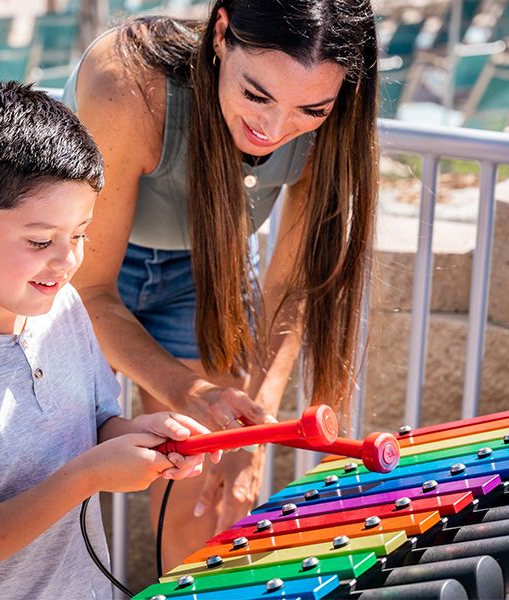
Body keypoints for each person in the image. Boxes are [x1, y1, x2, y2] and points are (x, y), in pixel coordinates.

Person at [64, 0, 379, 569]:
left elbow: (293, 289)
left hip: (205, 267)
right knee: (47, 463)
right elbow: (89, 290)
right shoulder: (127, 82)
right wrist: (190, 392)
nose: (274, 130)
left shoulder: (335, 126)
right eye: (257, 95)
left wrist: (255, 428)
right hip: (71, 268)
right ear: (221, 33)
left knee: (204, 501)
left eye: (311, 109)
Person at [0, 81, 220, 599]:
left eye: (79, 234)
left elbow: (96, 425)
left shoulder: (64, 309)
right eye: (41, 241)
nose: (68, 261)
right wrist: (87, 476)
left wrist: (141, 435)